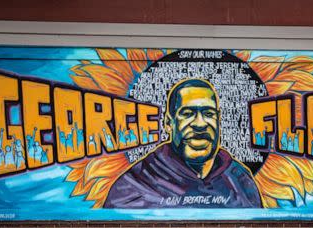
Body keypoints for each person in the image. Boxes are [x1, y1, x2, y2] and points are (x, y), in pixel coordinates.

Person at [104, 78, 262, 208]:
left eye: (208, 113)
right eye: (187, 113)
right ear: (168, 123)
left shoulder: (239, 179)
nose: (200, 124)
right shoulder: (135, 184)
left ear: (219, 121)